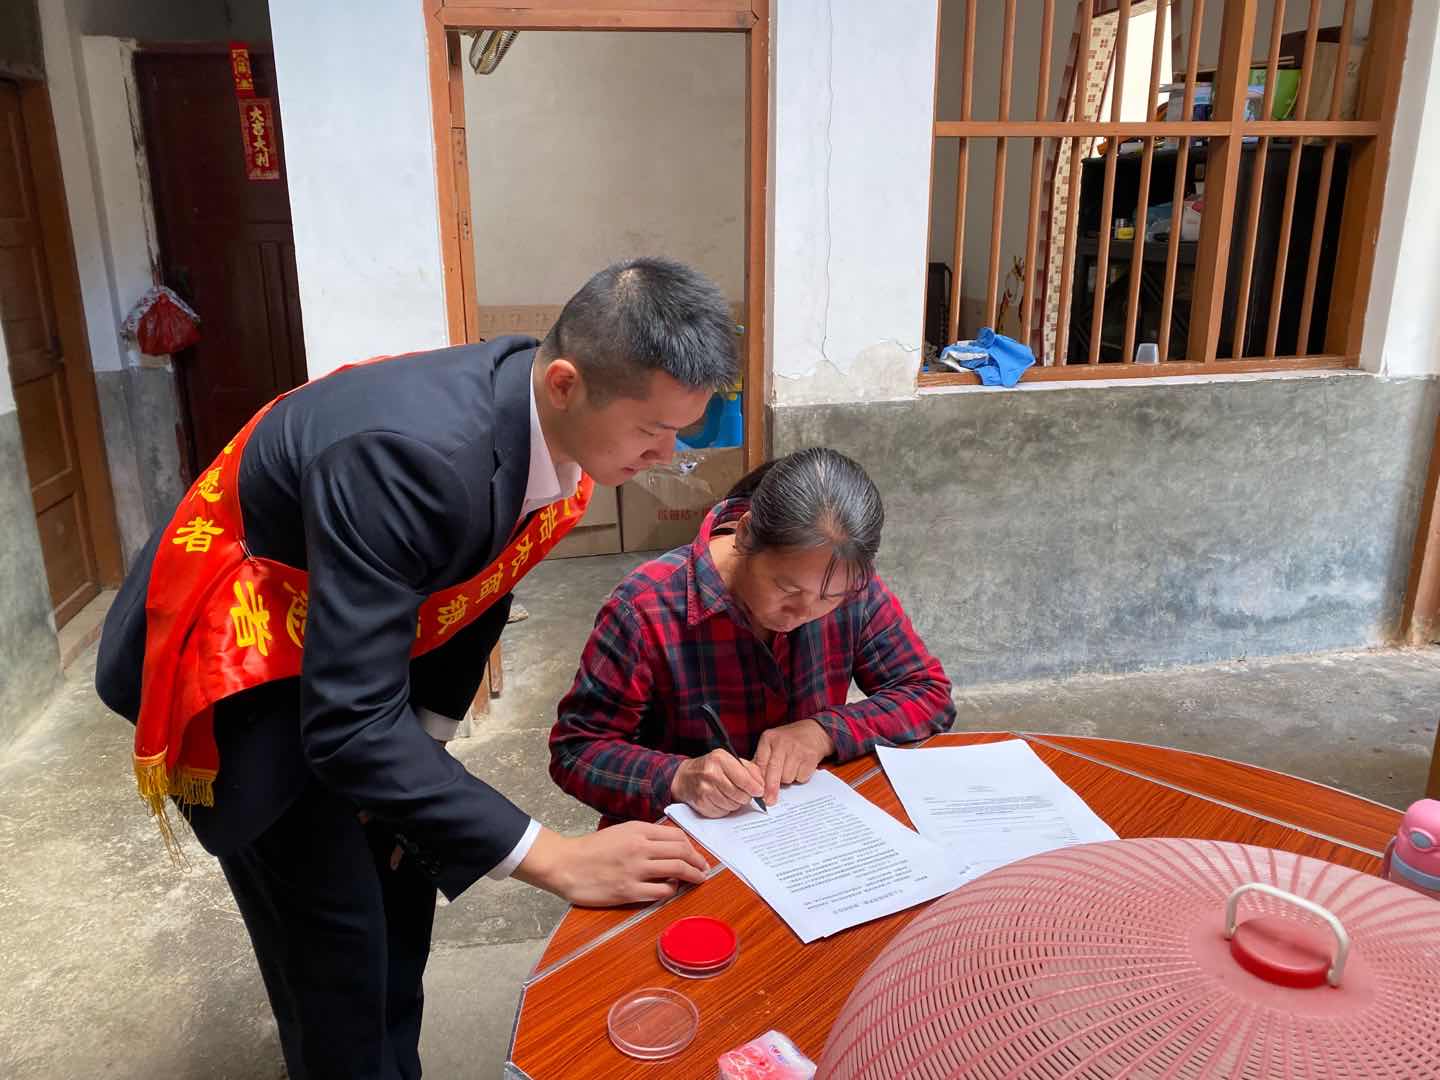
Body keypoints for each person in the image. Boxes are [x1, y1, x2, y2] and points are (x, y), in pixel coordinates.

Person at [95, 257, 735, 1080]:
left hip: (349, 653)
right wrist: (555, 858)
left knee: (400, 897)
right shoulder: (413, 459)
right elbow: (349, 727)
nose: (665, 453)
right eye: (653, 431)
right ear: (570, 382)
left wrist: (424, 751)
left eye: (681, 432)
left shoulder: (545, 419)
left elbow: (475, 590)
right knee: (335, 951)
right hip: (246, 669)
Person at [549, 447, 955, 823]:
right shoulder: (645, 608)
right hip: (679, 838)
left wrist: (824, 731)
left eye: (830, 598)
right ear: (745, 534)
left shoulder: (851, 588)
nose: (806, 611)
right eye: (787, 589)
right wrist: (679, 777)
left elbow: (927, 693)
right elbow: (578, 750)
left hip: (802, 826)